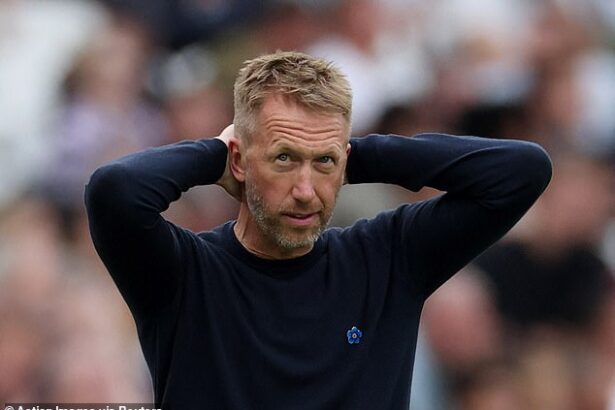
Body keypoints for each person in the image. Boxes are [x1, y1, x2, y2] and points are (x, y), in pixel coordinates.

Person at [85, 51, 552, 409]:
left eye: (324, 162)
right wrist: (213, 155)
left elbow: (522, 170)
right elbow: (116, 190)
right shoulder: (183, 275)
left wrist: (359, 157)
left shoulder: (389, 257)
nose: (306, 191)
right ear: (240, 160)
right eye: (284, 158)